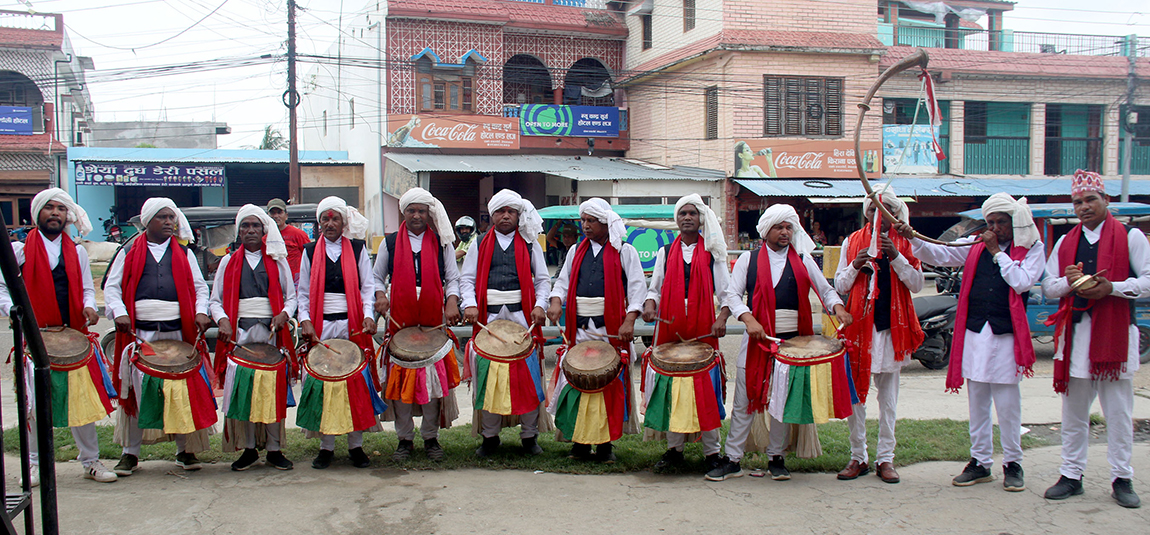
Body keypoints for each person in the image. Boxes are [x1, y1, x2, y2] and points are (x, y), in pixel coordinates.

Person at [896, 193, 1044, 492]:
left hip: (1006, 336)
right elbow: (941, 254)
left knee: (1007, 404)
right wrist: (912, 237)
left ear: (1014, 223)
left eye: (1001, 222)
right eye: (990, 222)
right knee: (977, 402)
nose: (994, 228)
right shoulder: (975, 245)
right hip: (977, 334)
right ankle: (980, 462)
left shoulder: (1030, 249)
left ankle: (1013, 464)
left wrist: (997, 253)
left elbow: (1022, 282)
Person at [706, 204, 851, 482]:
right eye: (779, 227)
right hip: (757, 340)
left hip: (793, 344)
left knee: (782, 400)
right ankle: (733, 458)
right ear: (766, 231)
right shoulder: (749, 260)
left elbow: (825, 290)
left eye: (788, 227)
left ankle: (776, 457)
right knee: (744, 402)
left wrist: (838, 308)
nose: (785, 232)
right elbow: (733, 296)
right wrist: (749, 320)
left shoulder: (804, 259)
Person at [1041, 170, 1147, 509]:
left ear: (1106, 201)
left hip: (1114, 337)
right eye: (1077, 202)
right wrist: (1071, 282)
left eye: (1090, 200)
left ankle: (1122, 477)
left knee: (1117, 412)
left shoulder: (1130, 236)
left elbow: (1148, 280)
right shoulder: (1065, 241)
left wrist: (1112, 288)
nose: (1083, 207)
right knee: (1073, 413)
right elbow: (1047, 286)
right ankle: (1071, 475)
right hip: (1074, 337)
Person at [0, 189, 117, 485]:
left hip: (73, 336)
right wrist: (15, 312)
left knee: (82, 403)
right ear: (37, 213)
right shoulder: (19, 251)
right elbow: (3, 290)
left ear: (68, 216)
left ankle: (90, 461)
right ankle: (36, 464)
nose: (55, 213)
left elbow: (87, 289)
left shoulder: (76, 251)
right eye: (49, 208)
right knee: (36, 406)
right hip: (36, 337)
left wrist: (89, 306)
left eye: (61, 209)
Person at [104, 198, 214, 475]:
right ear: (148, 221)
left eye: (171, 218)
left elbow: (200, 288)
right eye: (162, 218)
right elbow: (112, 287)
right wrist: (119, 312)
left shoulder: (184, 253)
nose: (168, 222)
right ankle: (129, 453)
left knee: (178, 392)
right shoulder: (128, 251)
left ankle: (184, 451)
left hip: (178, 332)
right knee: (137, 393)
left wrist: (201, 311)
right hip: (140, 333)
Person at [834, 185, 924, 484]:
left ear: (895, 214)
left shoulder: (905, 242)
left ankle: (886, 459)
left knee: (888, 401)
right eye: (872, 209)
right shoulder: (852, 241)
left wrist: (897, 255)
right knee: (856, 398)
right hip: (859, 330)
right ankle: (858, 456)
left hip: (890, 332)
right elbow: (841, 286)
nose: (877, 215)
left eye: (885, 210)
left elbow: (916, 284)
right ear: (867, 213)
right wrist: (856, 264)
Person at [641, 194, 737, 473]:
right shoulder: (665, 252)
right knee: (673, 389)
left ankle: (712, 453)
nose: (686, 218)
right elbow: (654, 289)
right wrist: (649, 305)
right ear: (676, 219)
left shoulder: (713, 253)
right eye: (682, 213)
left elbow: (727, 292)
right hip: (670, 325)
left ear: (701, 219)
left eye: (692, 214)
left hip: (703, 326)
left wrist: (722, 317)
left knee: (705, 389)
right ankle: (674, 451)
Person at [547, 198, 645, 463]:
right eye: (584, 221)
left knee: (607, 387)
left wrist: (629, 320)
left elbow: (637, 290)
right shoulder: (576, 250)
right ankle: (579, 443)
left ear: (606, 223)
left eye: (592, 221)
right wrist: (556, 302)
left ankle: (605, 445)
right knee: (578, 383)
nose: (586, 226)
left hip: (610, 330)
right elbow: (562, 284)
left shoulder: (625, 251)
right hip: (579, 329)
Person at [460, 189, 552, 457]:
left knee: (527, 376)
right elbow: (467, 280)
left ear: (518, 215)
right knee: (488, 377)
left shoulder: (531, 244)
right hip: (488, 318)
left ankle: (529, 436)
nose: (505, 216)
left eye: (510, 211)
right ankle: (490, 437)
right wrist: (470, 304)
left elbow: (543, 280)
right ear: (492, 215)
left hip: (522, 318)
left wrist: (539, 305)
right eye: (500, 211)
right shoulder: (478, 244)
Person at [373, 188, 462, 462]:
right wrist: (380, 296)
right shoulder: (389, 243)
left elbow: (453, 278)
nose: (416, 215)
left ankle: (431, 438)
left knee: (433, 384)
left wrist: (452, 302)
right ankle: (404, 440)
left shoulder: (441, 242)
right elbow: (377, 277)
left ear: (428, 214)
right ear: (404, 212)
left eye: (421, 211)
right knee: (401, 386)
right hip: (400, 320)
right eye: (411, 210)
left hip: (434, 320)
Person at [295, 197, 384, 469]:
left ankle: (356, 446)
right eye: (325, 219)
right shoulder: (310, 252)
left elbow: (367, 288)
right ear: (319, 223)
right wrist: (305, 320)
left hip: (353, 323)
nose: (330, 224)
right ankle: (326, 446)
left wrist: (369, 316)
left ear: (344, 223)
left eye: (335, 219)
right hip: (322, 326)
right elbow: (303, 294)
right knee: (325, 384)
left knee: (353, 383)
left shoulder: (357, 249)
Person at [209, 205, 297, 471]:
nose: (250, 230)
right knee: (245, 393)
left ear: (264, 230)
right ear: (239, 231)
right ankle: (248, 448)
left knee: (271, 391)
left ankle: (274, 448)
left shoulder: (277, 260)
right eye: (245, 226)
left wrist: (283, 313)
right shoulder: (227, 262)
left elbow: (291, 297)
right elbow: (215, 301)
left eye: (255, 226)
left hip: (271, 335)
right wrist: (222, 319)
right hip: (240, 336)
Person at [266, 198, 312, 285]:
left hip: (296, 281)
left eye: (279, 212)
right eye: (273, 213)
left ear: (286, 215)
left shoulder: (298, 234)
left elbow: (309, 257)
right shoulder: (264, 236)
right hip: (272, 281)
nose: (276, 216)